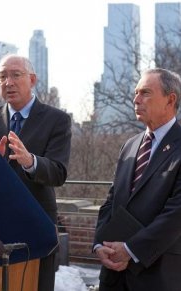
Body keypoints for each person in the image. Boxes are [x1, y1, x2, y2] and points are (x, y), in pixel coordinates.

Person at [0, 54, 72, 291]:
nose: (9, 82)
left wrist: (30, 162)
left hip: (36, 223)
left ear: (33, 79)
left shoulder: (57, 119)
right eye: (2, 77)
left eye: (16, 75)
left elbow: (58, 173)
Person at [93, 68, 181, 291]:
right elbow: (112, 201)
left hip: (157, 273)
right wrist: (99, 244)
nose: (136, 99)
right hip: (113, 275)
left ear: (170, 100)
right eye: (136, 93)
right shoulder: (130, 145)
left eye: (145, 93)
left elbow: (176, 213)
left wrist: (131, 250)